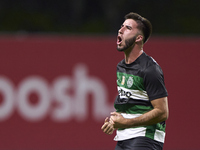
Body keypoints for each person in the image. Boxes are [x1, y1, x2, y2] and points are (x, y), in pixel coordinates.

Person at [101, 12, 169, 150]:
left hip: (146, 138)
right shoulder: (121, 67)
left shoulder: (150, 69)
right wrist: (115, 122)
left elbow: (162, 112)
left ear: (138, 38)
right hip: (124, 137)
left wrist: (125, 122)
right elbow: (132, 105)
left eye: (128, 28)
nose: (120, 30)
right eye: (121, 26)